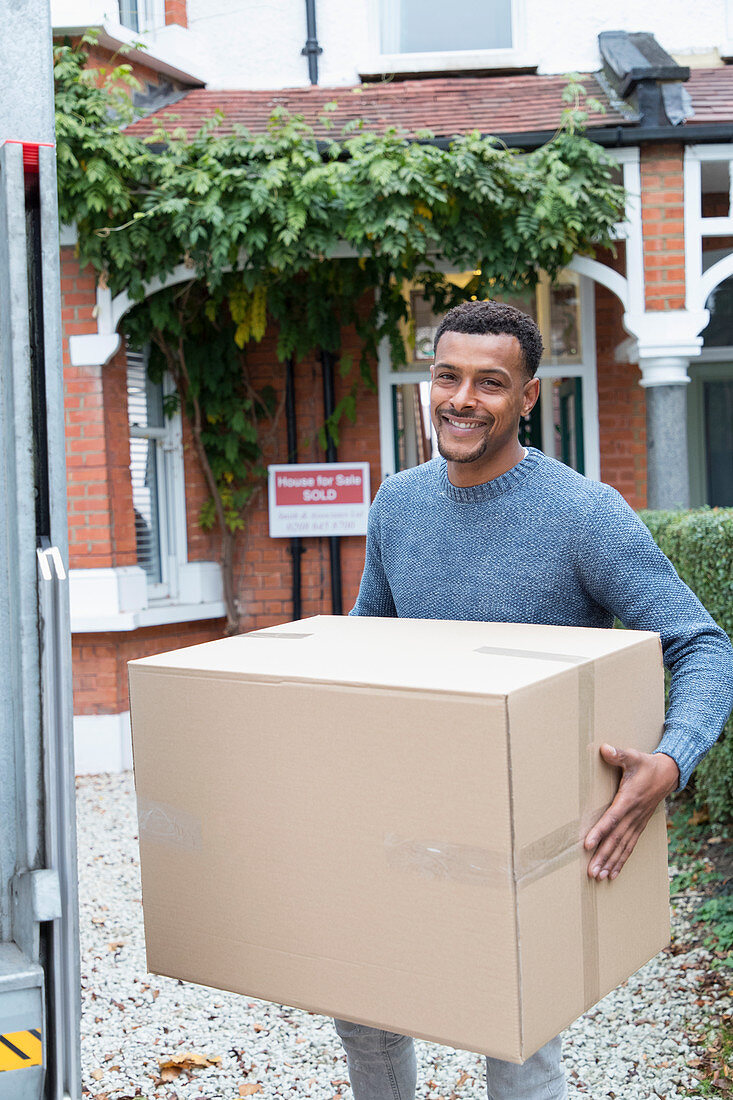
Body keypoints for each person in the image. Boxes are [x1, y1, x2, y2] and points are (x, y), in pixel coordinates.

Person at [334, 299, 733, 1100]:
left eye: (489, 383)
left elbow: (701, 644)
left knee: (515, 1039)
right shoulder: (397, 504)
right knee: (362, 1007)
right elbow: (366, 637)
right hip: (405, 803)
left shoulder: (582, 515)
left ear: (526, 398)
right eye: (447, 376)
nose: (461, 399)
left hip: (523, 826)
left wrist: (670, 759)